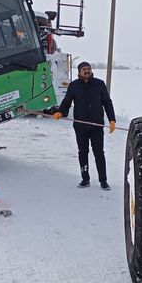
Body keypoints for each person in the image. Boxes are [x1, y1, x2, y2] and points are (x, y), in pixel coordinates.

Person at [52, 62, 116, 190]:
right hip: (80, 126)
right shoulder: (74, 86)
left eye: (88, 69)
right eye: (84, 69)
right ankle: (85, 179)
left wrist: (112, 120)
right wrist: (60, 111)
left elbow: (107, 103)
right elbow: (67, 101)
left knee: (99, 153)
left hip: (96, 125)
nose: (87, 71)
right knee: (83, 152)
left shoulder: (99, 84)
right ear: (79, 72)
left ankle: (103, 181)